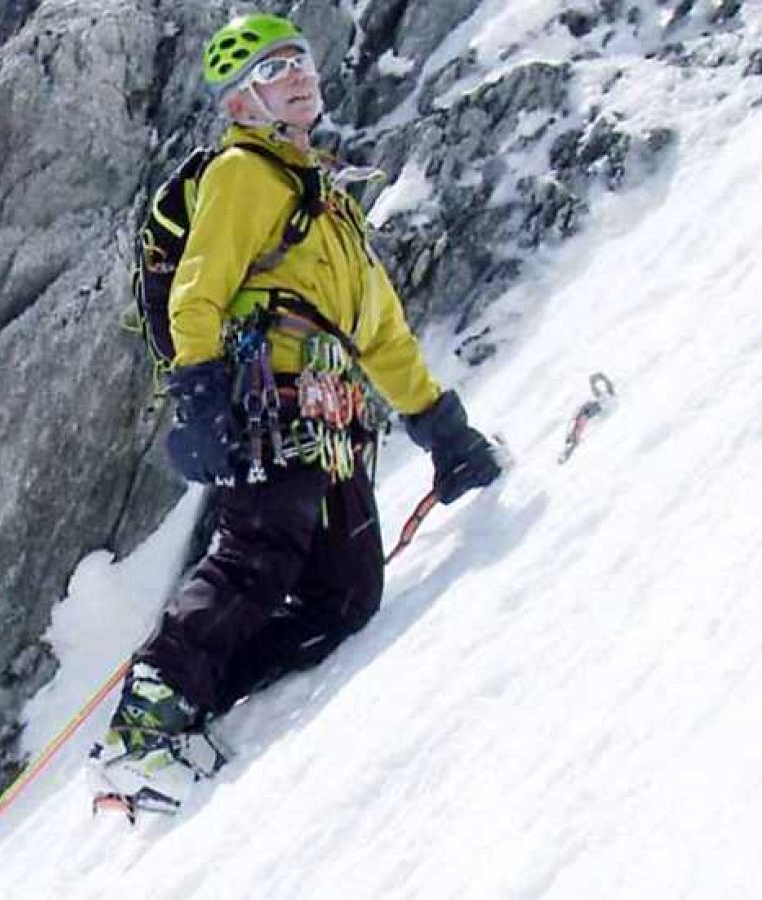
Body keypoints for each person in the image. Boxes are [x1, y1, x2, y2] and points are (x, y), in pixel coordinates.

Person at [98, 14, 502, 781]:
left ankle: (196, 698)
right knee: (255, 557)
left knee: (344, 599)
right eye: (272, 69)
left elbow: (380, 332)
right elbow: (197, 291)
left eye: (299, 61)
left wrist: (441, 428)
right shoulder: (241, 174)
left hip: (333, 418)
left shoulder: (330, 206)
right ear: (239, 103)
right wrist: (200, 389)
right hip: (269, 402)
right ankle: (142, 728)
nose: (296, 75)